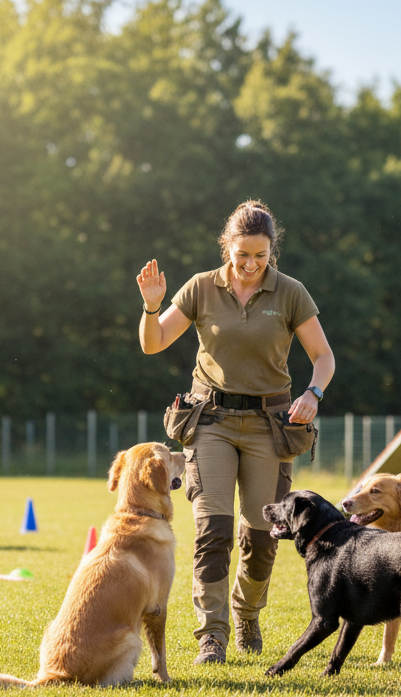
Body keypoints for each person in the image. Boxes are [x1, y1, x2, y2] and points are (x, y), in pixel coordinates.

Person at [136, 200, 335, 664]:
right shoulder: (201, 288)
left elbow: (323, 356)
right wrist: (151, 307)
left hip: (271, 424)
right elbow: (153, 344)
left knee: (263, 536)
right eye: (241, 254)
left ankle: (247, 614)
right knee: (213, 530)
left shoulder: (290, 293)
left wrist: (314, 394)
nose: (249, 265)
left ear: (272, 253)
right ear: (227, 247)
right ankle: (213, 635)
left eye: (260, 257)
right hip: (211, 423)